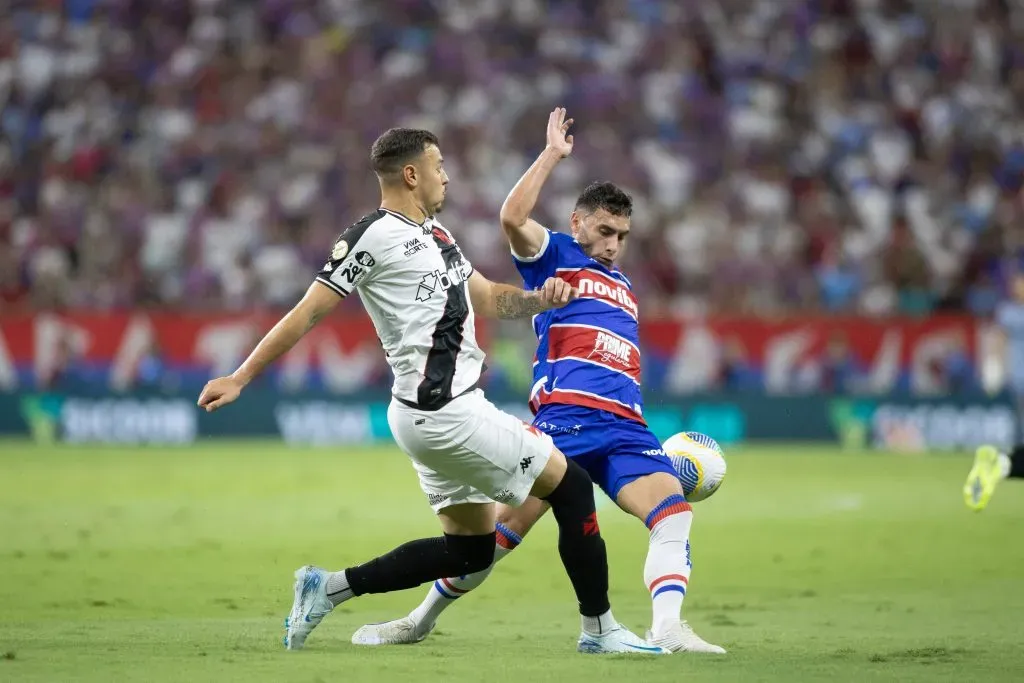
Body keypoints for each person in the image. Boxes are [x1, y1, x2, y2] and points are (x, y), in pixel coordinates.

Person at [197, 127, 664, 655]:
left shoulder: (439, 235)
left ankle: (325, 588)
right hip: (445, 412)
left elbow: (487, 297)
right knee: (573, 486)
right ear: (412, 174)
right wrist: (241, 375)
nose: (446, 174)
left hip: (429, 414)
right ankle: (599, 629)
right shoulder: (369, 237)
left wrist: (541, 300)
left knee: (469, 554)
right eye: (438, 165)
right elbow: (308, 311)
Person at [351, 109, 724, 653]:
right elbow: (511, 217)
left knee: (673, 515)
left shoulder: (625, 288)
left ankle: (667, 627)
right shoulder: (556, 255)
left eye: (621, 235)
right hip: (567, 421)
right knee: (496, 539)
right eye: (603, 230)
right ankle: (419, 619)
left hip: (627, 426)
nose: (613, 244)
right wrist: (552, 154)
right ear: (577, 224)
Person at [964, 273, 1024, 511]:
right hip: (1019, 376)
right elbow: (998, 339)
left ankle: (1004, 462)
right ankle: (1006, 461)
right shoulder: (1009, 312)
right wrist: (993, 368)